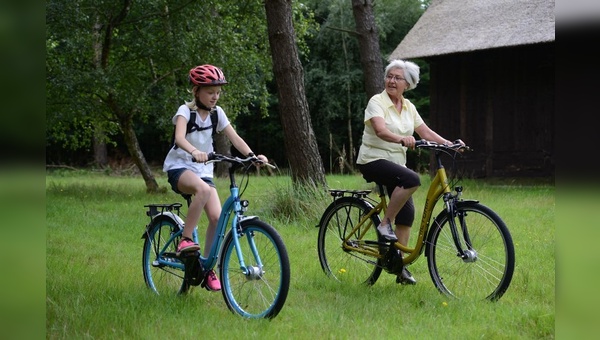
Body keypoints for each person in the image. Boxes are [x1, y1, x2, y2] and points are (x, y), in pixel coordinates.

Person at [356, 59, 463, 285]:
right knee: (412, 178)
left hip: (395, 163)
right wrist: (402, 139)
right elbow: (380, 130)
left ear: (408, 84)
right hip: (372, 159)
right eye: (389, 76)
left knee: (407, 215)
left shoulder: (408, 107)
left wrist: (449, 144)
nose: (391, 81)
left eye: (397, 78)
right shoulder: (377, 102)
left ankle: (399, 267)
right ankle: (385, 224)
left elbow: (424, 131)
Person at [163, 64, 269, 291]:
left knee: (217, 218)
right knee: (202, 190)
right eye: (210, 92)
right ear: (196, 91)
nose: (215, 96)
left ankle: (207, 267)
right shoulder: (185, 111)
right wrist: (194, 152)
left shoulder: (217, 114)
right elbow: (180, 138)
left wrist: (252, 156)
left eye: (218, 92)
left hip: (203, 171)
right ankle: (186, 239)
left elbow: (235, 137)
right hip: (180, 167)